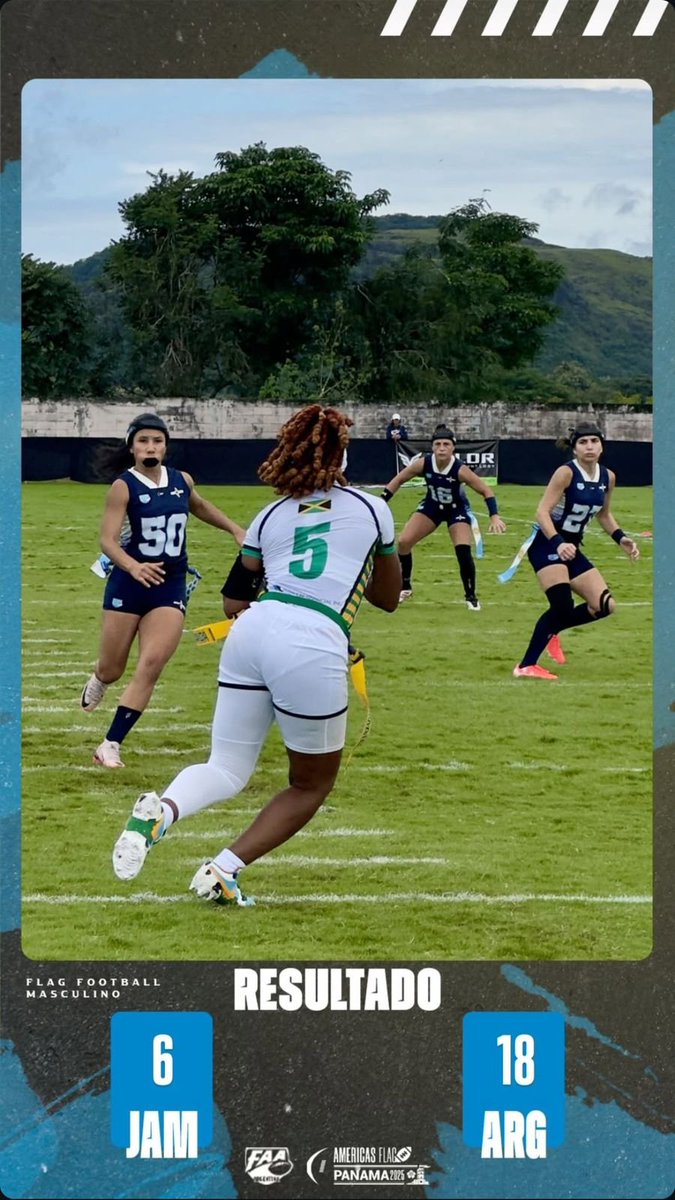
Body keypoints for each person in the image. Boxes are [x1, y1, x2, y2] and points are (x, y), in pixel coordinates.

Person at [111, 403, 401, 906]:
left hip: (253, 629)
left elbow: (232, 601)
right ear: (344, 454)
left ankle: (163, 810)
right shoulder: (374, 507)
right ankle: (224, 870)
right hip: (314, 639)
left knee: (225, 766)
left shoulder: (270, 512)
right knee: (310, 784)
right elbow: (387, 597)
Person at [81, 412, 245, 767]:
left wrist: (235, 530)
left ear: (166, 446)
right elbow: (108, 541)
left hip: (169, 583)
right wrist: (133, 566)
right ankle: (99, 677)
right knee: (113, 668)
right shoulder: (123, 486)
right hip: (130, 581)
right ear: (132, 447)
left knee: (153, 663)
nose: (150, 446)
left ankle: (110, 743)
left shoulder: (181, 480)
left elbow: (199, 507)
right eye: (143, 441)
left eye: (157, 440)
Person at [513, 423, 640, 680]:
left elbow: (604, 514)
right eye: (583, 442)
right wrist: (558, 541)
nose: (590, 446)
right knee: (561, 605)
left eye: (594, 441)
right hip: (548, 543)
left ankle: (552, 631)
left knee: (605, 606)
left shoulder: (608, 477)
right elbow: (541, 512)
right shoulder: (566, 473)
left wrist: (621, 538)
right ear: (574, 449)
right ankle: (526, 666)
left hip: (572, 546)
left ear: (602, 445)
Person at [381, 426, 506, 610]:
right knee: (404, 542)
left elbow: (485, 490)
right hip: (432, 507)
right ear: (432, 447)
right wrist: (382, 502)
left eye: (446, 444)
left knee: (463, 550)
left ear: (453, 448)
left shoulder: (460, 469)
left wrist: (494, 516)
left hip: (456, 510)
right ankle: (405, 586)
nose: (441, 448)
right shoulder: (424, 463)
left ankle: (470, 595)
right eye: (437, 444)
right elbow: (399, 479)